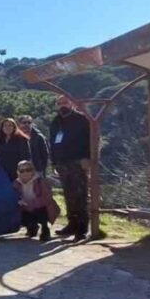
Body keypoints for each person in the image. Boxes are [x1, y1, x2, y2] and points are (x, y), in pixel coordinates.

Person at [49, 97, 92, 240]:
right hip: (62, 163)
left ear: (72, 104)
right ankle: (72, 224)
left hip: (78, 161)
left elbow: (90, 139)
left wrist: (87, 157)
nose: (63, 106)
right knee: (68, 195)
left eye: (65, 103)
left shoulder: (82, 119)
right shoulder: (56, 121)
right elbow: (52, 142)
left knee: (81, 195)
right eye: (60, 103)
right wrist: (54, 162)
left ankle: (82, 228)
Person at [13, 160, 59, 242]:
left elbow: (47, 197)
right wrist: (20, 202)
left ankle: (45, 228)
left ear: (32, 171)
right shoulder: (15, 184)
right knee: (20, 215)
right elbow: (14, 198)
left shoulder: (40, 181)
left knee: (42, 212)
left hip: (40, 207)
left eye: (28, 170)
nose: (25, 173)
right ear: (18, 172)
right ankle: (32, 227)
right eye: (22, 171)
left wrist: (31, 204)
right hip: (25, 208)